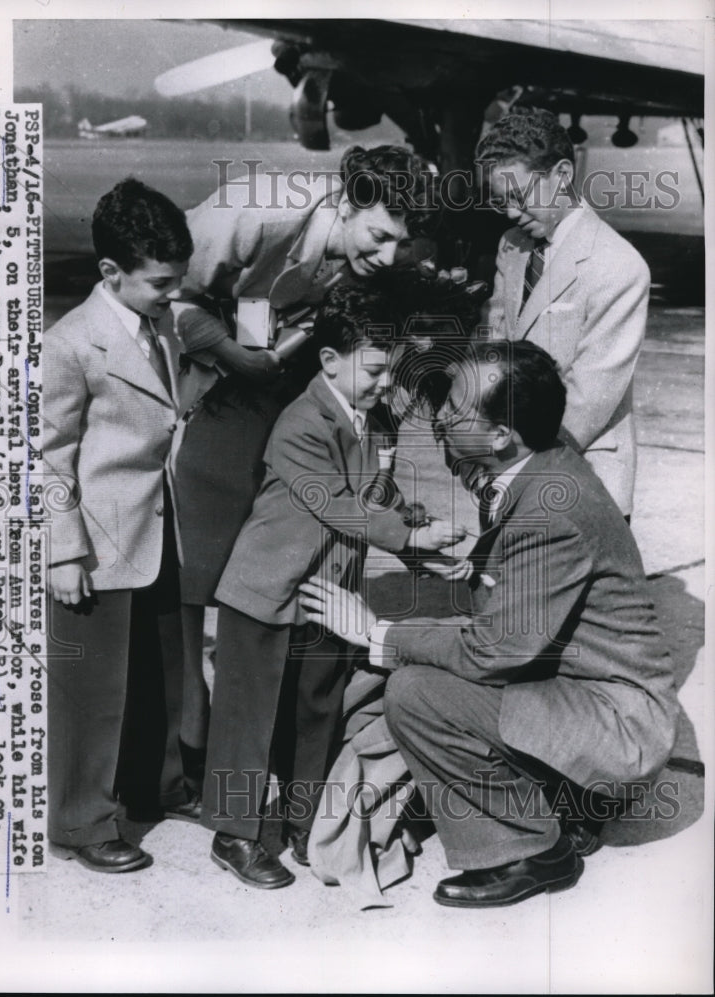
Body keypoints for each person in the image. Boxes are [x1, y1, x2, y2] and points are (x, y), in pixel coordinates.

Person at [300, 339, 679, 908]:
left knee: (416, 693)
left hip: (616, 727)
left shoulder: (550, 510)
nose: (441, 419)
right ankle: (566, 793)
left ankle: (532, 848)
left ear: (502, 436)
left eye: (454, 410)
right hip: (578, 688)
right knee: (427, 641)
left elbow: (494, 649)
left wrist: (374, 633)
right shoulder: (537, 456)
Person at [173, 145, 444, 800]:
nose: (385, 255)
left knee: (280, 567)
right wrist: (232, 358)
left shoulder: (368, 252)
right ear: (346, 203)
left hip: (278, 389)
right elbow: (165, 293)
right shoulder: (256, 210)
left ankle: (270, 751)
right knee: (193, 583)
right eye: (377, 235)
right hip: (211, 392)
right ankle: (179, 758)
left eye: (398, 243)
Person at [202, 284, 465, 890]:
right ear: (329, 362)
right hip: (265, 592)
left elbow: (376, 495)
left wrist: (423, 523)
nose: (382, 383)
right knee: (250, 720)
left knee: (316, 709)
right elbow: (336, 505)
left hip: (328, 594)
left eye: (387, 371)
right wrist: (409, 539)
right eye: (373, 370)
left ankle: (304, 823)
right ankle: (233, 833)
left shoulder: (369, 420)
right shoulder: (300, 422)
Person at [43, 178, 202, 873]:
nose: (173, 294)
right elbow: (47, 459)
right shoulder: (71, 343)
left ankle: (157, 786)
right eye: (161, 282)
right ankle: (81, 820)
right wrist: (62, 552)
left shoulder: (156, 323)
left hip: (157, 529)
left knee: (163, 675)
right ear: (111, 273)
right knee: (93, 690)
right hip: (96, 542)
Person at [477, 107, 651, 518]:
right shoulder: (513, 245)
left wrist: (515, 466)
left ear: (562, 175)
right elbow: (497, 344)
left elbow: (590, 396)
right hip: (507, 464)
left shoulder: (618, 265)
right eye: (501, 200)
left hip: (579, 472)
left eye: (519, 197)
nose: (510, 213)